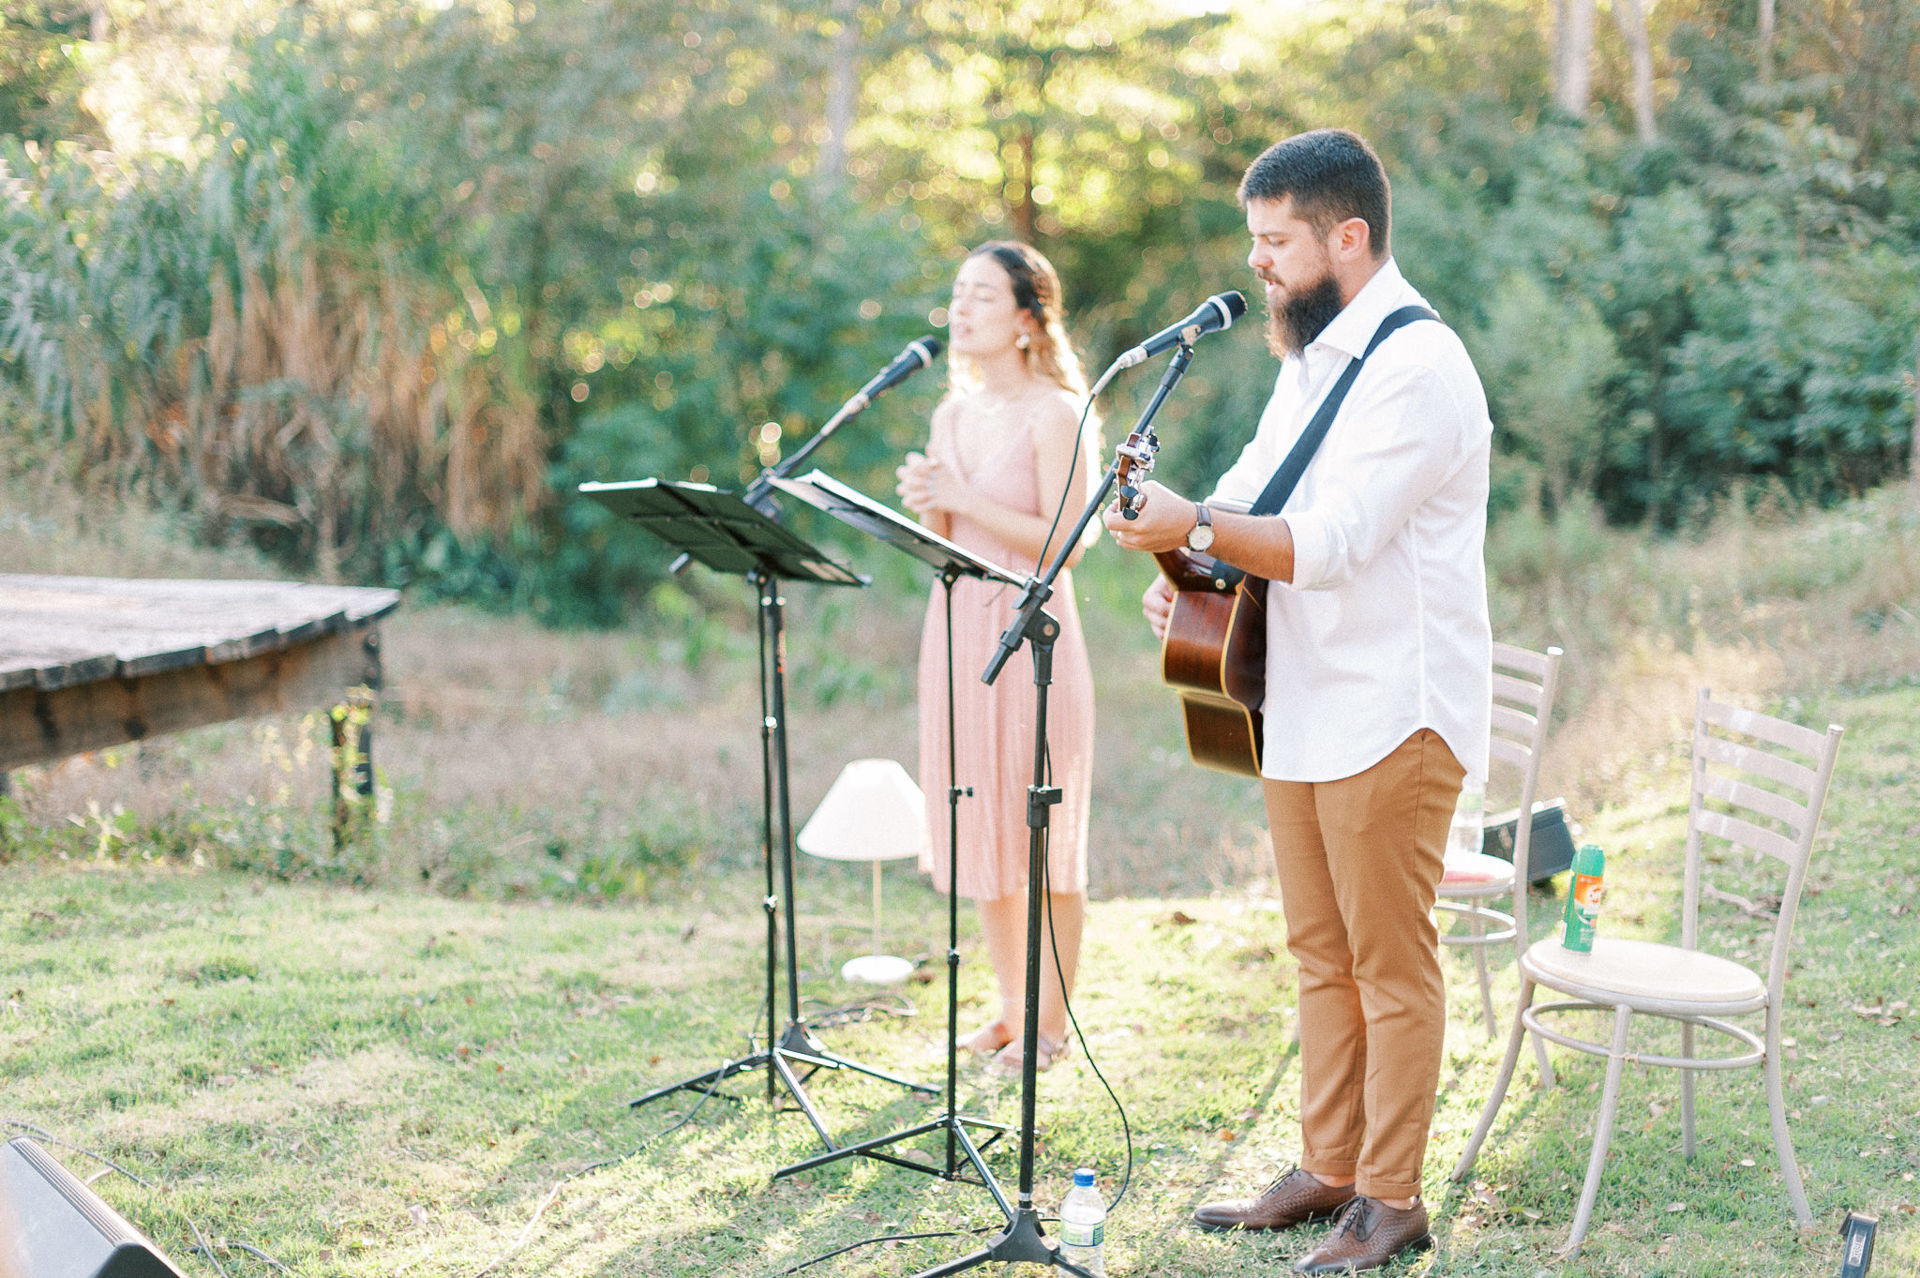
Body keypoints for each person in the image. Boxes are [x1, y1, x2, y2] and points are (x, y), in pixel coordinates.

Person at [1101, 128, 1492, 1273]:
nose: (1259, 263)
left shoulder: (1421, 367)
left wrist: (1201, 527)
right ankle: (1329, 1167)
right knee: (1321, 951)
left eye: (1277, 242)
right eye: (1255, 240)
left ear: (1348, 237)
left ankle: (1392, 1198)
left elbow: (1332, 543)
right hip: (1306, 700)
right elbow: (1246, 496)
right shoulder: (1312, 356)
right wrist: (1189, 577)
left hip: (1393, 706)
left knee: (1390, 961)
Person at [896, 241, 1100, 1075]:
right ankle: (1012, 1012)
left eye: (981, 296)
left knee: (1041, 832)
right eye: (956, 294)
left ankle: (1051, 1025)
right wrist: (928, 510)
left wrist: (963, 499)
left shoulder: (1056, 411)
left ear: (1025, 318)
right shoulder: (950, 415)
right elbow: (952, 536)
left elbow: (1068, 542)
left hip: (1035, 637)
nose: (961, 309)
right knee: (977, 819)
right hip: (956, 630)